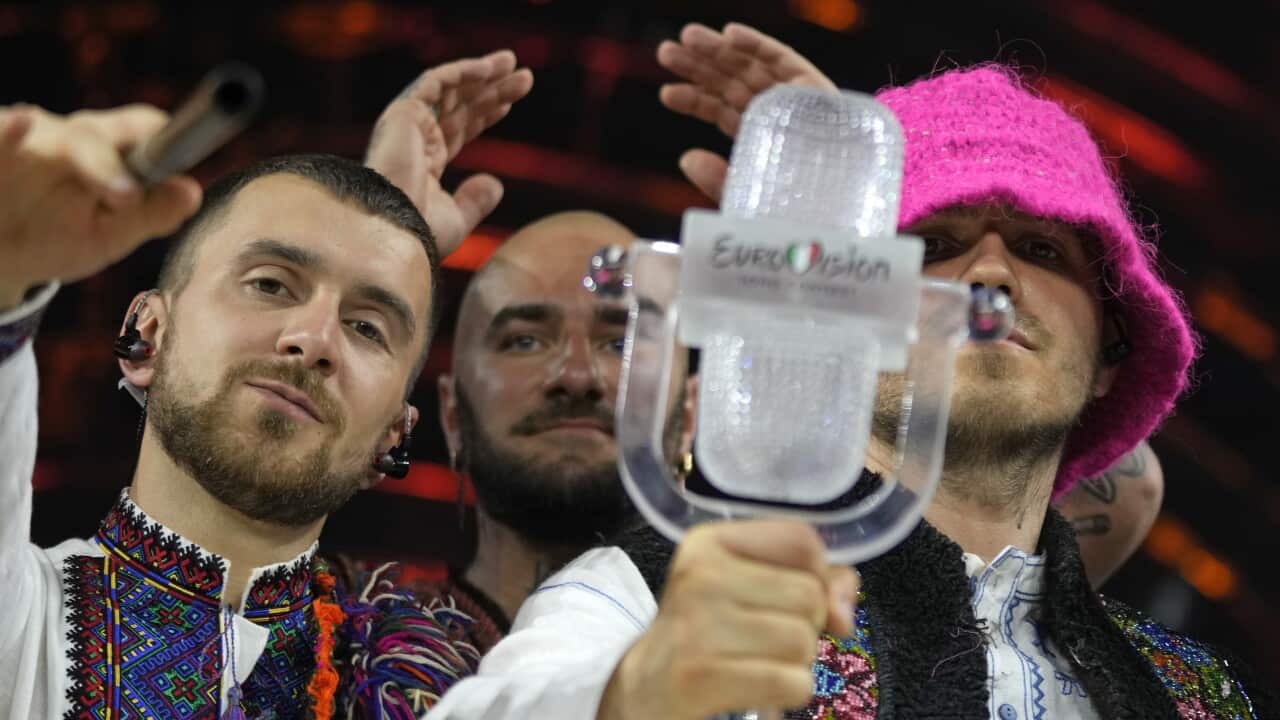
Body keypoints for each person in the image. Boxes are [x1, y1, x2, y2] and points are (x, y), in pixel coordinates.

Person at [424, 25, 1274, 720]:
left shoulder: (1197, 693)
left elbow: (1140, 485)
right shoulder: (655, 597)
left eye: (1044, 248)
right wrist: (633, 697)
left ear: (1108, 358)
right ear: (839, 313)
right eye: (932, 245)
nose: (988, 275)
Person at [0, 50, 533, 719]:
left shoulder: (446, 687)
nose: (314, 339)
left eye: (367, 327)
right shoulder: (21, 632)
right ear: (148, 334)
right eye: (270, 284)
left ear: (394, 433)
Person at [418, 210, 696, 655]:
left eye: (620, 343)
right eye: (525, 341)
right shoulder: (344, 653)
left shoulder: (787, 668)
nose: (577, 375)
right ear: (452, 416)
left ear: (690, 415)